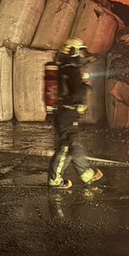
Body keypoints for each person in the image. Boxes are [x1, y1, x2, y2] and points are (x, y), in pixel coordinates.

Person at [48, 37, 103, 189]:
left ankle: (87, 174)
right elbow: (77, 93)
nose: (82, 55)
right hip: (68, 113)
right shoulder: (72, 70)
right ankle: (55, 179)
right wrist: (85, 86)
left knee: (74, 144)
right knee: (66, 146)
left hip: (64, 112)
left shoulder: (63, 67)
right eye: (80, 51)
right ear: (73, 51)